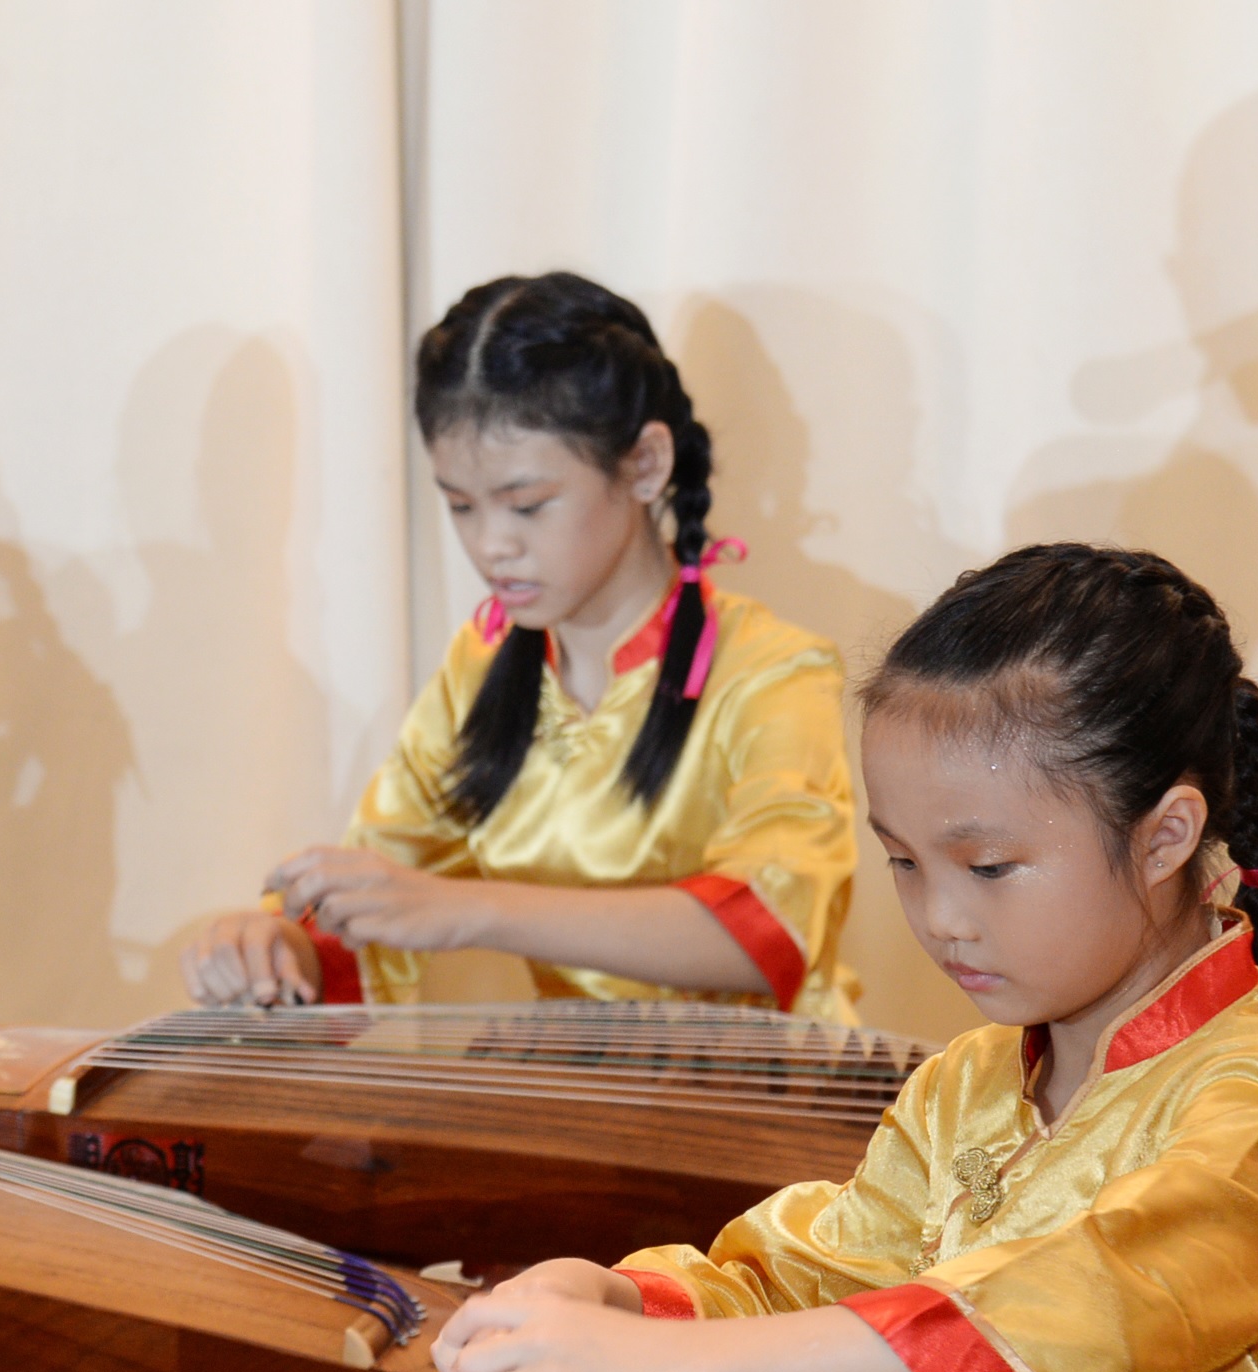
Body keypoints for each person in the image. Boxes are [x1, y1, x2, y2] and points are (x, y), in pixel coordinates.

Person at [428, 544, 1258, 1372]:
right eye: (902, 862)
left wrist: (679, 1365)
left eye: (985, 868)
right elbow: (818, 1272)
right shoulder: (969, 1082)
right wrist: (624, 1300)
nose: (939, 916)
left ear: (1166, 833)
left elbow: (1095, 1294)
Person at [182, 272, 857, 1019]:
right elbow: (383, 897)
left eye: (526, 504)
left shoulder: (770, 669)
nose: (489, 545)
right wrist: (278, 944)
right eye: (460, 506)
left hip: (776, 1090)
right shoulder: (481, 665)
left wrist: (468, 907)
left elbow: (769, 930)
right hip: (592, 1091)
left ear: (644, 465)